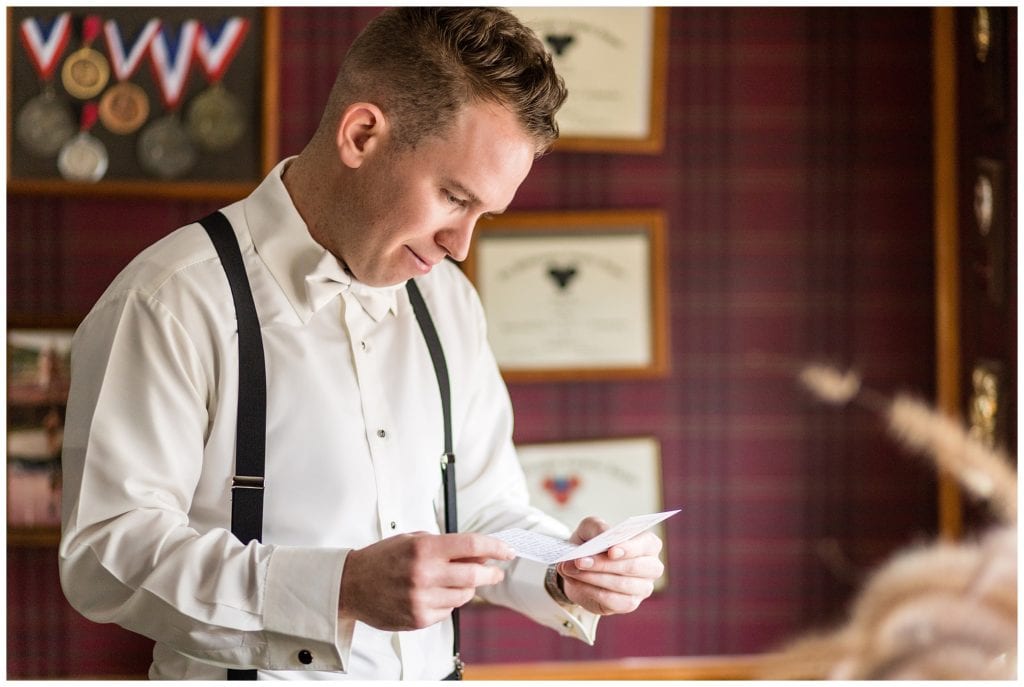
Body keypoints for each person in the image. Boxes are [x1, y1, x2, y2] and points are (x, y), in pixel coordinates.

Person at [59, 8, 664, 680]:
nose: (461, 245)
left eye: (483, 214)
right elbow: (104, 555)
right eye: (453, 197)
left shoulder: (450, 303)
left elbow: (483, 509)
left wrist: (564, 567)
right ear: (362, 134)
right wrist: (337, 587)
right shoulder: (170, 299)